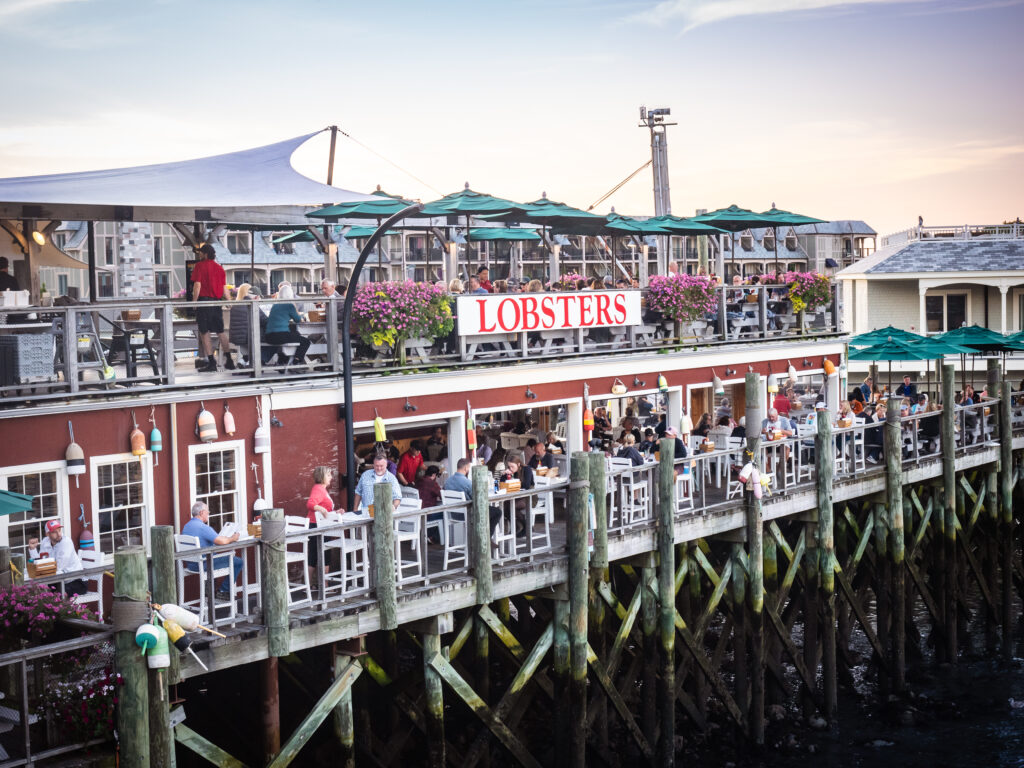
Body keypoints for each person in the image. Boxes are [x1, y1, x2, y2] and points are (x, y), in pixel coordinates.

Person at [181, 501, 242, 598]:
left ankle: (209, 591)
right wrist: (232, 538)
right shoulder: (202, 527)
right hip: (204, 564)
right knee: (238, 562)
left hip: (191, 565)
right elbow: (221, 541)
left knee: (214, 556)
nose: (208, 514)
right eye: (207, 512)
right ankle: (223, 591)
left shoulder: (187, 526)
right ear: (201, 513)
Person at [191, 243, 233, 373]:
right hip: (216, 303)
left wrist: (194, 302)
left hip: (204, 302)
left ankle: (211, 362)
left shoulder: (199, 266)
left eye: (201, 253)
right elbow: (223, 287)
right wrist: (230, 301)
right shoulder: (219, 268)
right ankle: (229, 360)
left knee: (204, 332)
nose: (199, 254)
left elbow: (197, 285)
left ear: (205, 254)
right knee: (220, 331)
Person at [27, 520, 85, 596]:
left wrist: (41, 570)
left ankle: (65, 608)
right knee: (35, 592)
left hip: (76, 580)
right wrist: (33, 549)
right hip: (58, 580)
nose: (59, 534)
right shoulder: (45, 541)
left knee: (56, 595)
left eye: (59, 530)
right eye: (54, 532)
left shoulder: (66, 542)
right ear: (48, 534)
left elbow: (58, 567)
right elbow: (40, 563)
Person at [264, 283, 311, 367]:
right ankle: (297, 361)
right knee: (305, 341)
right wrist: (303, 317)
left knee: (295, 335)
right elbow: (297, 320)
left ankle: (282, 361)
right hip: (280, 335)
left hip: (269, 336)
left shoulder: (275, 305)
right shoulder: (289, 306)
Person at [306, 465, 335, 582]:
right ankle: (325, 585)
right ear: (322, 476)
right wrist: (321, 510)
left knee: (314, 554)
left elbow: (324, 507)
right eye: (328, 475)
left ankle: (312, 584)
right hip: (317, 525)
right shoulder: (318, 489)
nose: (331, 477)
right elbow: (310, 504)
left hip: (317, 524)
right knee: (324, 554)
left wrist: (334, 511)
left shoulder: (320, 489)